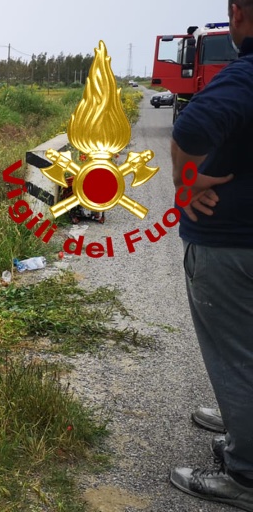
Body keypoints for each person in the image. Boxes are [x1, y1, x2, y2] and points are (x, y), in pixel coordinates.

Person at [167, 1, 253, 508]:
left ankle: (244, 475)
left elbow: (192, 128)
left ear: (238, 13)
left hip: (233, 240)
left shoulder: (245, 75)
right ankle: (243, 426)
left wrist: (186, 181)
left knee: (237, 356)